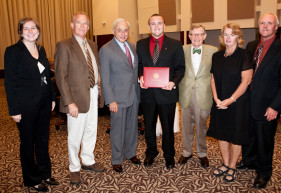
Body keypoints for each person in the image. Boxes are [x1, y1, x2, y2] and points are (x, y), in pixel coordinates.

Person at [237, 13, 281, 189]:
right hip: (248, 102)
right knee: (249, 136)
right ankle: (249, 161)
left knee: (265, 141)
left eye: (269, 23)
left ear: (276, 27)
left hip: (267, 105)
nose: (265, 26)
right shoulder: (251, 45)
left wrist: (275, 107)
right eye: (262, 23)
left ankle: (264, 172)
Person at [4, 17, 59, 192]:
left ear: (38, 30)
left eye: (33, 28)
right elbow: (10, 83)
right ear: (20, 32)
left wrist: (52, 98)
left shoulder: (40, 49)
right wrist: (14, 109)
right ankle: (32, 179)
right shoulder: (13, 51)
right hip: (25, 106)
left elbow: (47, 78)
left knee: (43, 140)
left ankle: (45, 174)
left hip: (43, 103)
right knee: (28, 143)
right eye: (25, 28)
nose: (30, 31)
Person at [54, 12, 105, 185]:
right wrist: (69, 102)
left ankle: (88, 160)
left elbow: (95, 69)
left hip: (92, 93)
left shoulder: (92, 44)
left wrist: (99, 89)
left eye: (85, 23)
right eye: (79, 23)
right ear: (72, 24)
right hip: (75, 98)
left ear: (89, 27)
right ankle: (74, 167)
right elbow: (61, 77)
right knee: (75, 135)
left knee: (91, 130)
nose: (82, 26)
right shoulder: (64, 45)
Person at [137, 14, 185, 169]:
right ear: (149, 26)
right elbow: (139, 66)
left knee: (167, 128)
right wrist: (140, 77)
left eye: (159, 23)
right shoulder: (140, 44)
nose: (156, 26)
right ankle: (151, 153)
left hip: (167, 94)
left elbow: (180, 68)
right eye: (152, 24)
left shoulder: (175, 44)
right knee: (149, 127)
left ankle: (169, 155)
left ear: (164, 25)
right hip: (148, 94)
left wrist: (173, 82)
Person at [207, 23, 253, 182]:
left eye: (232, 35)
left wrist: (231, 100)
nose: (228, 38)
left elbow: (246, 82)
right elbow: (212, 79)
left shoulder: (245, 55)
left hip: (238, 103)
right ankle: (225, 164)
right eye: (225, 34)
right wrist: (216, 99)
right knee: (222, 134)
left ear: (238, 37)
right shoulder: (217, 56)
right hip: (220, 102)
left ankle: (233, 166)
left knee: (236, 136)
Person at [99, 18, 141, 173]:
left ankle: (131, 153)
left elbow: (133, 70)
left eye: (125, 30)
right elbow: (105, 76)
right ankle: (116, 159)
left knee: (132, 128)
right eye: (119, 30)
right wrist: (111, 100)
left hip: (133, 95)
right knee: (117, 129)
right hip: (117, 98)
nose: (123, 33)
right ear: (113, 31)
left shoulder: (131, 46)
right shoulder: (106, 49)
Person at [178, 25, 218, 167]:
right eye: (193, 34)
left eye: (199, 34)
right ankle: (186, 152)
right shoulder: (181, 49)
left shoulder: (213, 51)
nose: (196, 37)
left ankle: (202, 153)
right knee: (187, 126)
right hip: (186, 93)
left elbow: (217, 74)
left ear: (205, 36)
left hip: (204, 94)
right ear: (189, 36)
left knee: (201, 126)